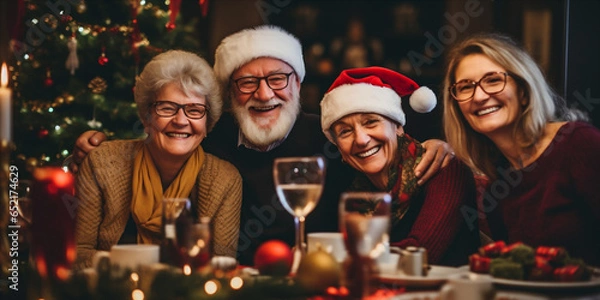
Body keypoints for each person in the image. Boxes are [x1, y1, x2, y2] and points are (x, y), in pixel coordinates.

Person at [70, 25, 454, 265]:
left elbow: (377, 141)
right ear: (231, 93)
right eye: (247, 82)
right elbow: (167, 132)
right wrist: (99, 147)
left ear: (298, 85)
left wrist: (435, 146)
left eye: (278, 78)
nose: (264, 93)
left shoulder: (330, 136)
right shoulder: (211, 141)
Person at [74, 50, 242, 269]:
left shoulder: (225, 179)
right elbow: (77, 253)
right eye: (167, 108)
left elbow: (221, 266)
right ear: (146, 118)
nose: (181, 121)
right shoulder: (102, 162)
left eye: (194, 110)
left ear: (207, 124)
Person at [442, 33, 600, 266]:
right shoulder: (497, 187)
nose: (479, 96)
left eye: (493, 80)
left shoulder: (578, 145)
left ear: (524, 91)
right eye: (465, 87)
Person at [320, 66, 479, 266]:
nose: (361, 140)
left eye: (371, 122)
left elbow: (417, 256)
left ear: (398, 127)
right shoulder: (348, 189)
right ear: (339, 148)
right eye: (345, 132)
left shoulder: (445, 168)